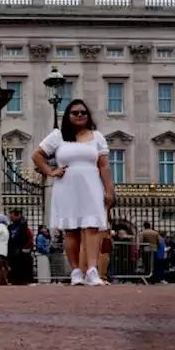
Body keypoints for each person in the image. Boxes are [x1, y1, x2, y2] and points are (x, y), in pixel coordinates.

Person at [32, 99, 114, 287]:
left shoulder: (97, 137)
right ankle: (76, 271)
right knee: (71, 230)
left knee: (92, 227)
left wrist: (109, 190)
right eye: (75, 112)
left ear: (88, 116)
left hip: (92, 185)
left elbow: (104, 165)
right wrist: (50, 171)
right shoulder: (58, 136)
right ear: (68, 116)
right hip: (66, 186)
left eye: (83, 112)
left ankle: (92, 271)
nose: (79, 116)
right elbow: (37, 155)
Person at [7, 209, 34, 285]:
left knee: (22, 265)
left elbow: (26, 238)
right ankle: (14, 279)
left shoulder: (23, 225)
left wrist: (23, 247)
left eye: (12, 216)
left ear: (17, 215)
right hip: (12, 249)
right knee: (14, 265)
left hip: (20, 249)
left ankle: (23, 280)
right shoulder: (11, 226)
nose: (11, 218)